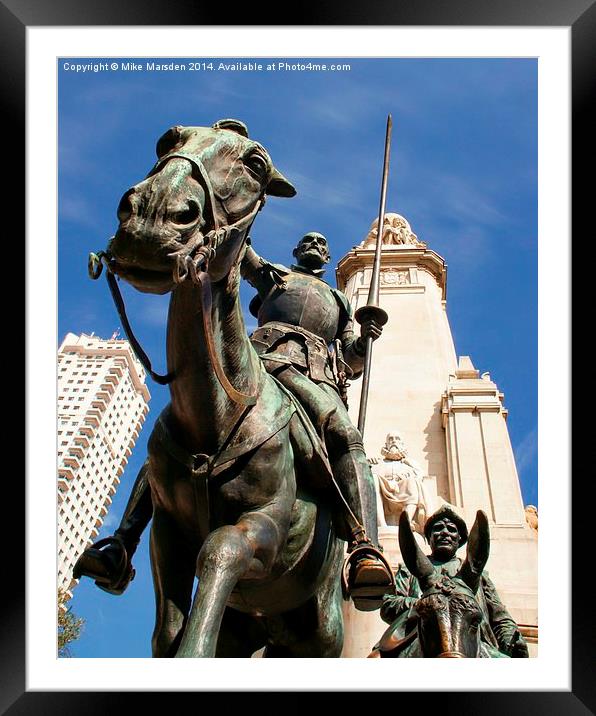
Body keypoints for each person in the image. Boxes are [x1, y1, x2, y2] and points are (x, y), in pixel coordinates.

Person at [75, 232, 393, 610]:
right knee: (178, 430)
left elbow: (351, 362)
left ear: (326, 256)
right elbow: (241, 253)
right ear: (295, 250)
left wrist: (364, 341)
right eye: (306, 241)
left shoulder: (339, 300)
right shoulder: (275, 275)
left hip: (311, 377)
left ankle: (363, 547)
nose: (314, 245)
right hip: (257, 364)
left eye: (321, 244)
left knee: (346, 438)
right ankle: (122, 544)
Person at [379, 505, 529, 657]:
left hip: (475, 645)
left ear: (460, 539)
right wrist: (422, 606)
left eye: (451, 529)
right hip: (419, 639)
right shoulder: (407, 571)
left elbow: (500, 616)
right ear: (429, 537)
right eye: (437, 528)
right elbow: (389, 605)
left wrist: (512, 640)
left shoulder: (481, 577)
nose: (444, 532)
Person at [370, 430, 427, 531]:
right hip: (383, 490)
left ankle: (406, 523)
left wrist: (409, 473)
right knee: (373, 479)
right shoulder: (379, 462)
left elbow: (419, 474)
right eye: (390, 439)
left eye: (397, 439)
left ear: (402, 443)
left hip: (402, 491)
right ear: (386, 444)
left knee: (412, 481)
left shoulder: (408, 463)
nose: (394, 441)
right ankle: (381, 525)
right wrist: (368, 465)